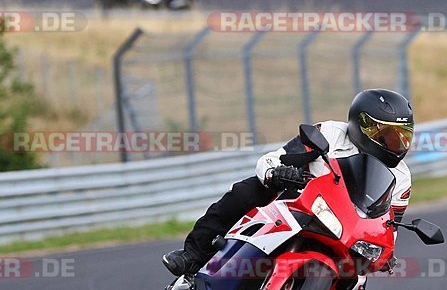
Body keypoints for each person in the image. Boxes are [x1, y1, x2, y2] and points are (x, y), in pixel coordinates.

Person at [162, 88, 414, 276]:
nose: (397, 146)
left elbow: (389, 227)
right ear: (363, 125)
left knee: (356, 287)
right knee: (247, 191)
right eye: (389, 136)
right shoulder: (329, 133)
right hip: (300, 204)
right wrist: (277, 173)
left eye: (403, 138)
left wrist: (386, 254)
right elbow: (273, 159)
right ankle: (193, 254)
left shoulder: (401, 178)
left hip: (346, 231)